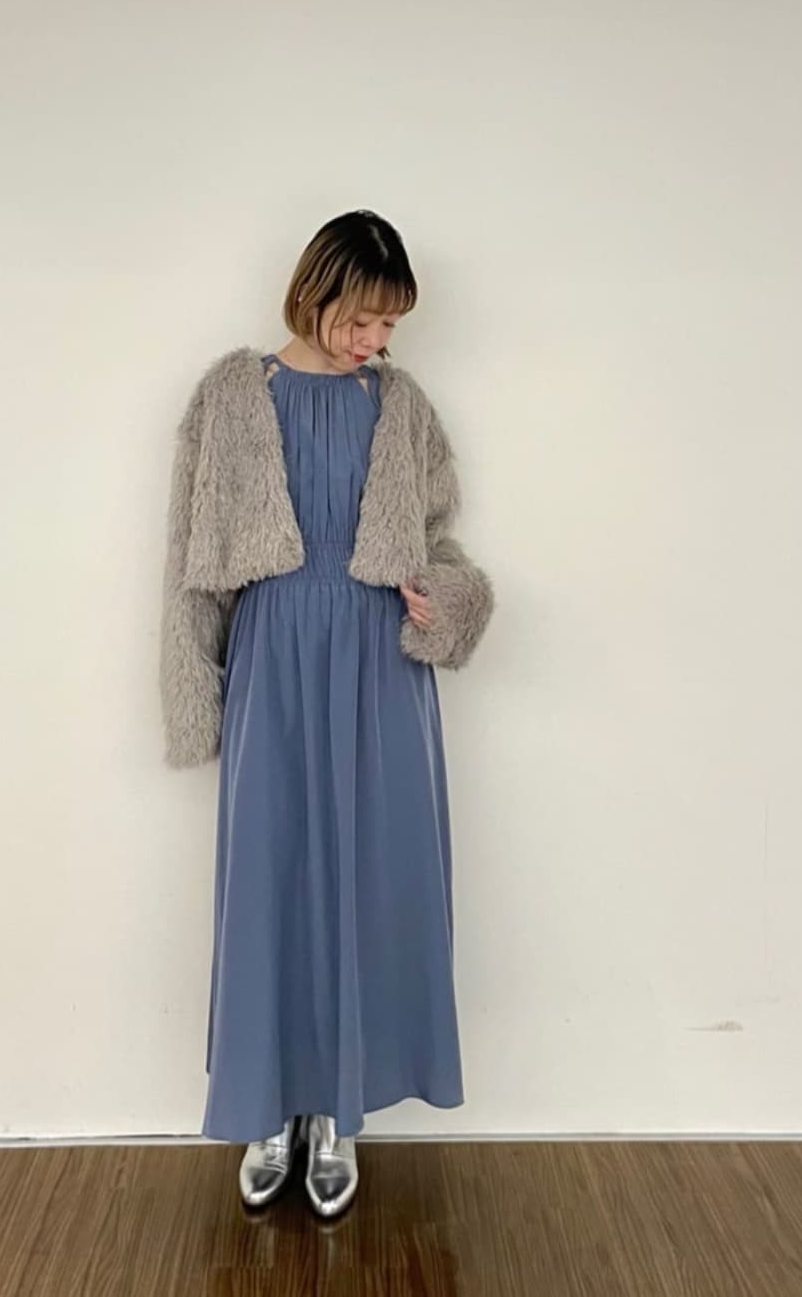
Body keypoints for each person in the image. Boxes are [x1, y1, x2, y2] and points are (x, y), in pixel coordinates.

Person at [159, 209, 494, 1217]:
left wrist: (446, 597)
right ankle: (271, 1108)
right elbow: (189, 560)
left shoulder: (402, 405)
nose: (375, 340)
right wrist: (194, 686)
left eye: (390, 325)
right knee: (270, 878)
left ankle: (337, 1111)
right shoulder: (234, 394)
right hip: (274, 656)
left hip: (379, 662)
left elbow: (439, 538)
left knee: (368, 877)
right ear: (315, 294)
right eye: (363, 319)